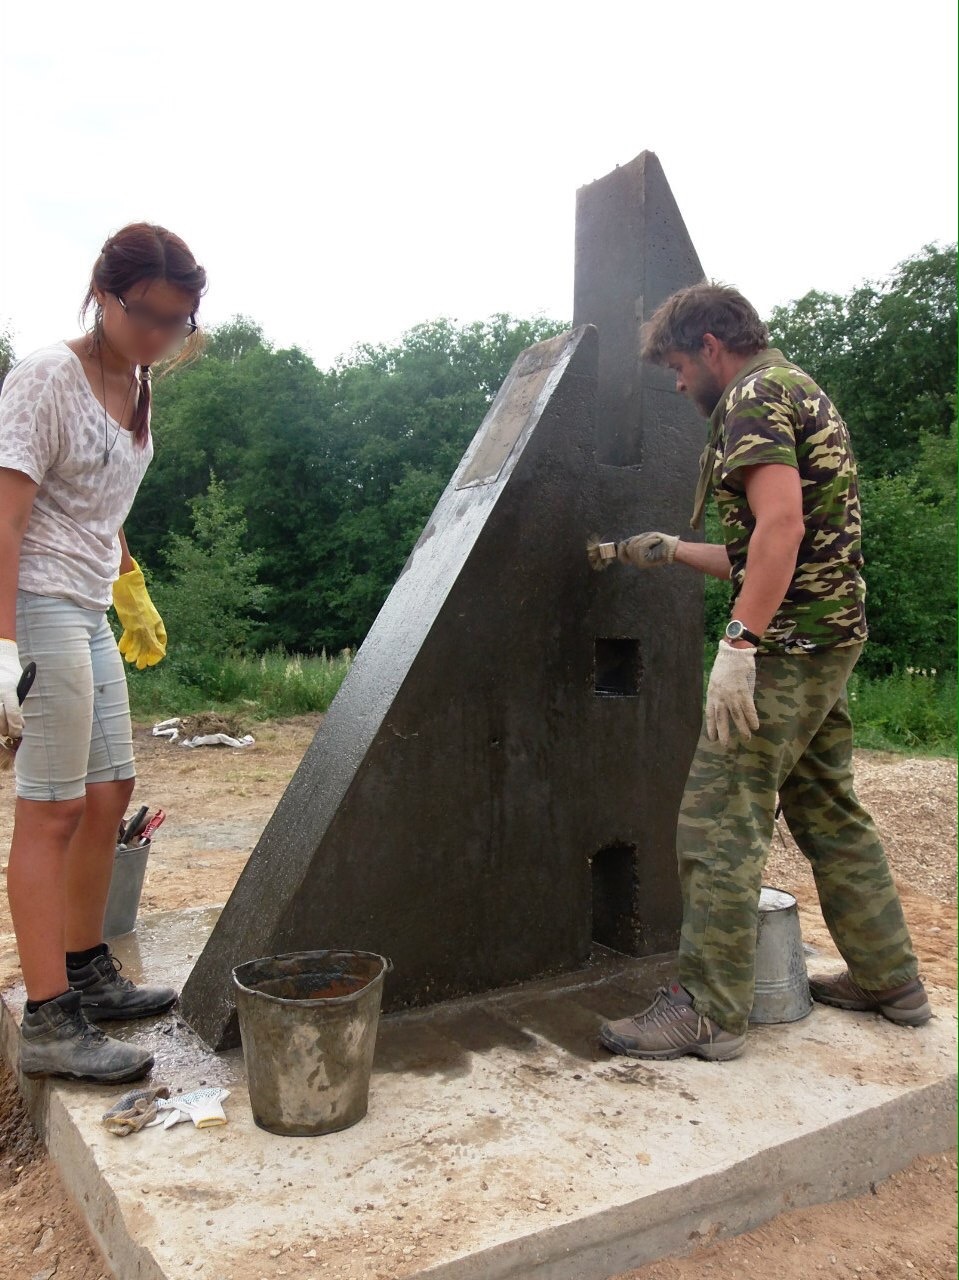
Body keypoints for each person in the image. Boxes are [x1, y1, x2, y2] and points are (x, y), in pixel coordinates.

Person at [595, 283, 930, 1062]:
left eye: (678, 365)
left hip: (786, 648)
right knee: (827, 812)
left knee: (717, 820)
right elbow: (768, 548)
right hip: (827, 638)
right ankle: (890, 979)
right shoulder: (793, 388)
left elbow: (781, 523)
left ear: (711, 345)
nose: (677, 384)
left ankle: (707, 1008)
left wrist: (738, 644)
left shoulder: (750, 396)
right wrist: (672, 550)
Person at [0, 223, 207, 1082]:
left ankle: (85, 965)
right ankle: (49, 1020)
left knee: (111, 787)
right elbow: (7, 513)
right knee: (49, 808)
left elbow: (98, 493)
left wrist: (129, 582)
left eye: (177, 321)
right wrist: (2, 641)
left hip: (88, 599)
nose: (158, 333)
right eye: (145, 314)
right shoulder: (49, 376)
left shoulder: (140, 380)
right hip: (39, 601)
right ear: (103, 293)